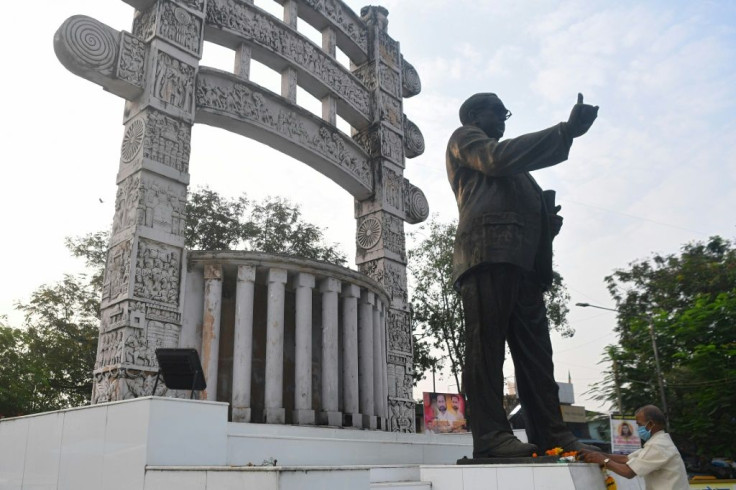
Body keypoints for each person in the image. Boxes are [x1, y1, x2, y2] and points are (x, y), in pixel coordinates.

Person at [446, 92, 599, 458]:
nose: (503, 119)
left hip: (525, 263)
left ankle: (553, 434)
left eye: (505, 113)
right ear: (473, 115)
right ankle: (491, 436)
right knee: (486, 349)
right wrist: (565, 132)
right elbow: (496, 159)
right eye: (496, 112)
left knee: (537, 358)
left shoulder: (522, 176)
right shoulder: (464, 138)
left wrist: (547, 222)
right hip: (487, 253)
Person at [580, 405, 689, 489]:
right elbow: (626, 459)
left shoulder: (658, 446)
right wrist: (596, 454)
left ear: (650, 424)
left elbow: (628, 472)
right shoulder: (658, 442)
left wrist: (603, 460)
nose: (637, 428)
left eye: (639, 424)